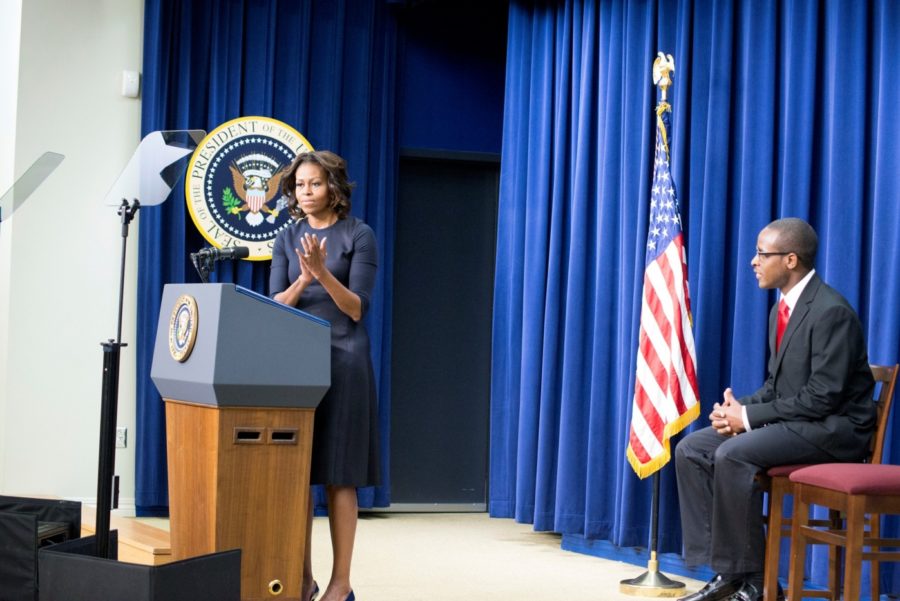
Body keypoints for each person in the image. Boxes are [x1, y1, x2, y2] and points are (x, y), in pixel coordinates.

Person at [674, 217, 876, 601]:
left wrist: (746, 420)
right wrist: (737, 409)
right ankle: (729, 573)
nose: (753, 261)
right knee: (694, 448)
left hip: (834, 430)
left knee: (732, 453)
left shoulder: (831, 311)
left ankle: (755, 584)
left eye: (762, 253)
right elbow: (777, 387)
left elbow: (822, 398)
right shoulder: (781, 309)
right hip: (800, 422)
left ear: (790, 260)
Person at [270, 150, 379, 601]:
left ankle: (340, 583)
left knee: (339, 475)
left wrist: (322, 274)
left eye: (314, 184)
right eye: (299, 186)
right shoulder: (287, 236)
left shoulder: (359, 234)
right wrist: (304, 278)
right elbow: (276, 305)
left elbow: (356, 307)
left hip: (345, 360)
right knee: (297, 475)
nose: (305, 193)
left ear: (333, 186)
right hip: (297, 362)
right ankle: (303, 578)